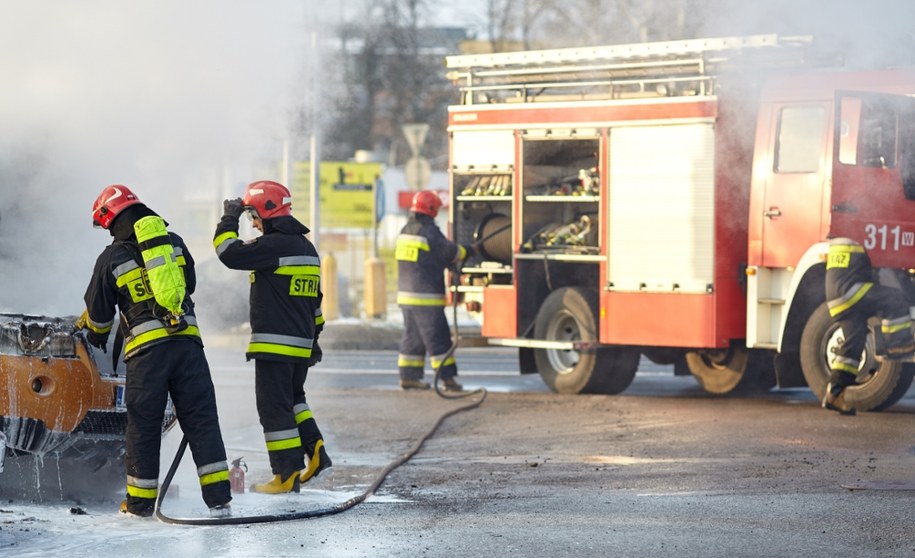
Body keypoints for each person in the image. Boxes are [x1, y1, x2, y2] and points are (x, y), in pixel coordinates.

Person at [80, 185, 232, 517]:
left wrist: (92, 333)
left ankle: (139, 505)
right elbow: (188, 285)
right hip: (189, 346)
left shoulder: (111, 258)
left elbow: (99, 320)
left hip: (147, 356)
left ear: (111, 219)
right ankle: (219, 498)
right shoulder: (174, 243)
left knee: (144, 426)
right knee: (202, 419)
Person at [214, 180, 332, 494]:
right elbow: (315, 302)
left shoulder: (275, 246)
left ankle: (286, 475)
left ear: (268, 210)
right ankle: (316, 450)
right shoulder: (307, 248)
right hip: (300, 345)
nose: (252, 222)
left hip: (274, 345)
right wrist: (314, 340)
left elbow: (228, 253)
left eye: (253, 215)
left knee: (273, 408)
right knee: (294, 401)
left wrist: (229, 217)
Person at [822, 237, 915, 415]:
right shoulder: (862, 232)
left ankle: (834, 393)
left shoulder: (842, 238)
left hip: (836, 295)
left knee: (854, 342)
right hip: (851, 290)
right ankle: (897, 344)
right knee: (894, 298)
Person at [395, 190, 474, 391]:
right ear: (431, 210)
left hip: (406, 296)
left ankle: (409, 377)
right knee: (438, 337)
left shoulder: (405, 230)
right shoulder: (428, 231)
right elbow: (450, 252)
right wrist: (468, 250)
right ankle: (448, 379)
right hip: (426, 298)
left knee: (412, 337)